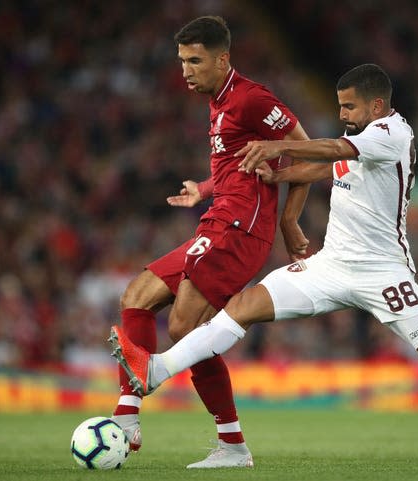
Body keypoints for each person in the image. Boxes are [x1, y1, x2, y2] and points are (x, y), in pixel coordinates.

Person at [109, 64, 418, 465]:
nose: (341, 115)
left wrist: (277, 148)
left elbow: (333, 150)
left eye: (348, 107)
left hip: (383, 272)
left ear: (376, 106)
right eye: (339, 107)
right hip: (331, 266)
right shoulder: (363, 138)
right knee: (245, 304)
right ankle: (156, 371)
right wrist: (279, 174)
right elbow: (325, 167)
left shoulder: (392, 134)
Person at [109, 16, 311, 468]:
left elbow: (307, 149)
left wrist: (289, 220)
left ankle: (232, 446)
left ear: (223, 60)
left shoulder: (252, 99)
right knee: (136, 297)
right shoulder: (216, 100)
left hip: (241, 231)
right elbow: (234, 167)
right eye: (182, 60)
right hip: (216, 221)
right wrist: (204, 188)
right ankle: (128, 417)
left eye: (195, 60)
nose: (185, 69)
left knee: (184, 330)